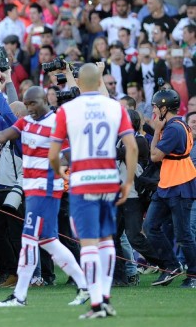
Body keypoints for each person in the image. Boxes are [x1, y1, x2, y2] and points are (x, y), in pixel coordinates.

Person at [0, 86, 90, 307]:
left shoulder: (56, 123)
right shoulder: (25, 122)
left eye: (33, 104)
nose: (30, 108)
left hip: (46, 188)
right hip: (32, 188)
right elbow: (3, 133)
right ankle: (85, 286)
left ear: (44, 100)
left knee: (28, 240)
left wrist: (55, 164)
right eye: (27, 105)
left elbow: (71, 157)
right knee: (48, 240)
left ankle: (19, 296)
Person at [49, 63, 138, 319]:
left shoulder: (67, 109)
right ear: (99, 80)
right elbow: (131, 147)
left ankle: (97, 303)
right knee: (106, 238)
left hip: (83, 179)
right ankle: (106, 296)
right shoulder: (115, 108)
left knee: (87, 241)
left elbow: (54, 153)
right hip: (109, 179)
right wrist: (128, 181)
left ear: (78, 82)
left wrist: (59, 171)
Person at [143, 88, 196, 288]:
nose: (154, 110)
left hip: (180, 184)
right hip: (167, 184)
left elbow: (155, 156)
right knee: (150, 226)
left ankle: (193, 275)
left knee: (183, 234)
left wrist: (156, 131)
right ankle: (172, 266)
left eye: (156, 107)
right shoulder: (173, 124)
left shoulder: (173, 128)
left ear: (165, 108)